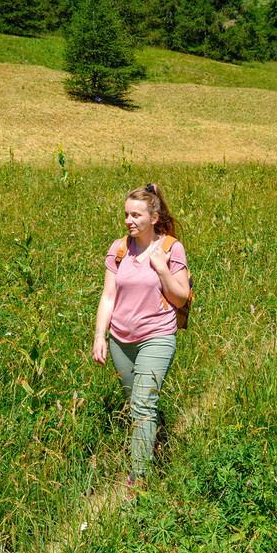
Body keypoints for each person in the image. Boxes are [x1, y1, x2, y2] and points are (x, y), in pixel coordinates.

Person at [91, 182, 191, 485]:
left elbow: (181, 297)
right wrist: (100, 336)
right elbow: (108, 295)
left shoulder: (170, 248)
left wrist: (161, 269)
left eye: (136, 215)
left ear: (153, 218)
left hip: (157, 336)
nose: (128, 221)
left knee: (142, 405)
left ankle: (139, 479)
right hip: (120, 339)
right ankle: (157, 446)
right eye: (126, 215)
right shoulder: (119, 248)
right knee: (135, 404)